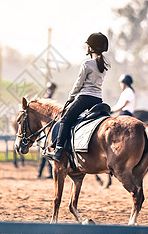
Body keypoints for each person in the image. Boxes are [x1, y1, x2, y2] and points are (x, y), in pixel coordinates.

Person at [44, 32, 110, 162]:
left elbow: (78, 84)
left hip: (85, 98)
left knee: (65, 119)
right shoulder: (105, 66)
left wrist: (71, 97)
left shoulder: (87, 64)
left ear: (91, 48)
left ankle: (58, 150)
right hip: (98, 100)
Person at [37, 82, 57, 178]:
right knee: (47, 151)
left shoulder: (47, 95)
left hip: (46, 127)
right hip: (47, 128)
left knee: (46, 152)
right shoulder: (48, 97)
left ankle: (41, 173)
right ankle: (44, 173)